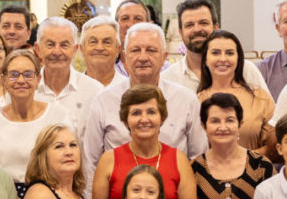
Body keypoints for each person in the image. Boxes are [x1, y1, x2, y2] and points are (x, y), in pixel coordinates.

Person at [81, 22, 205, 172]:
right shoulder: (104, 100)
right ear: (125, 56)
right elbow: (91, 162)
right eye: (135, 50)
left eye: (151, 50)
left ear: (164, 57)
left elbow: (198, 157)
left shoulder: (186, 100)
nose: (143, 57)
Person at [91, 84, 200, 199]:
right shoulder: (109, 160)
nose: (144, 119)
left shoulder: (179, 159)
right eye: (136, 113)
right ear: (125, 120)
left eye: (151, 112)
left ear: (162, 118)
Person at [0, 49, 67, 186]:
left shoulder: (58, 115)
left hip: (49, 192)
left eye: (28, 75)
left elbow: (66, 165)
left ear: (38, 79)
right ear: (4, 80)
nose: (21, 80)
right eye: (13, 75)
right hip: (2, 192)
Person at [160, 0, 269, 94]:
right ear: (180, 32)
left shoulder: (246, 70)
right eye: (189, 25)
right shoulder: (167, 79)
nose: (197, 29)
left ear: (216, 27)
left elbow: (268, 109)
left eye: (203, 23)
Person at [197, 29, 275, 151]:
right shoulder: (196, 102)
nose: (223, 58)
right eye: (216, 53)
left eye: (229, 53)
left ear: (238, 59)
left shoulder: (260, 97)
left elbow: (273, 145)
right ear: (205, 59)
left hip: (254, 163)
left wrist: (244, 159)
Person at [33, 17, 103, 132]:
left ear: (75, 50)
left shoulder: (95, 91)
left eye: (64, 45)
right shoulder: (26, 89)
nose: (57, 52)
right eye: (50, 44)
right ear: (38, 49)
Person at [78, 16, 121, 87]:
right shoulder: (69, 90)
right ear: (82, 49)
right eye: (93, 42)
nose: (99, 48)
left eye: (107, 42)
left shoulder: (129, 88)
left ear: (118, 50)